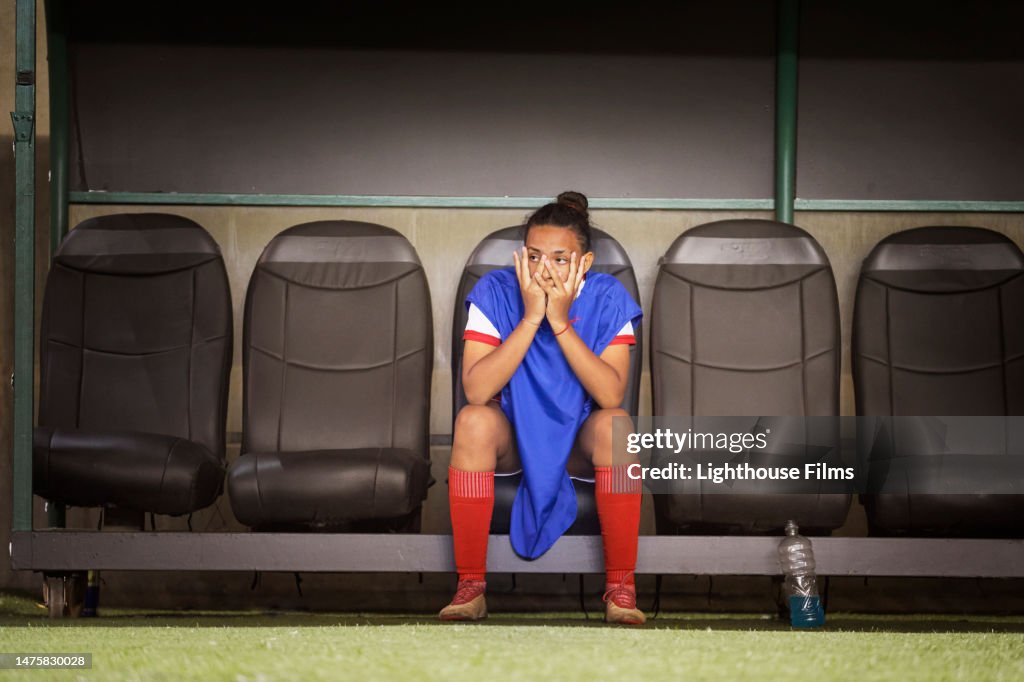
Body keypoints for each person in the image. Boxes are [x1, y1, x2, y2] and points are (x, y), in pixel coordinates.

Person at [440, 191, 645, 624]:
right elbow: (477, 389)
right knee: (473, 420)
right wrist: (532, 318)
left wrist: (559, 321)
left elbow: (611, 396)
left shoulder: (607, 296)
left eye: (558, 259)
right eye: (533, 257)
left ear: (584, 264)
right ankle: (471, 586)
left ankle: (621, 590)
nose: (543, 270)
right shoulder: (495, 290)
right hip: (515, 434)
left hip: (577, 438)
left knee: (617, 426)